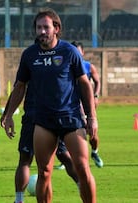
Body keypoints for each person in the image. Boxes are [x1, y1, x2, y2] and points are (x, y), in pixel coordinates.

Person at [1, 8, 97, 203]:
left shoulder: (69, 52)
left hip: (70, 118)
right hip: (43, 121)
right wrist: (9, 114)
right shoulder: (29, 54)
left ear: (56, 29)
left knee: (82, 167)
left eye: (46, 27)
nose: (42, 31)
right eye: (39, 27)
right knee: (44, 172)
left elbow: (85, 84)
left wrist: (91, 117)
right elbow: (20, 86)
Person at [1, 46, 77, 203]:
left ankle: (19, 200)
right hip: (54, 116)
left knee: (25, 160)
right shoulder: (55, 60)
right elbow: (19, 88)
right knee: (63, 158)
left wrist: (7, 114)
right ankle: (82, 186)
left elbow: (18, 88)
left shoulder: (31, 57)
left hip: (37, 116)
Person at [55, 41, 103, 169]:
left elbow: (97, 82)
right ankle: (66, 160)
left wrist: (96, 96)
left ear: (82, 52)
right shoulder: (65, 66)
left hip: (86, 104)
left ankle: (95, 152)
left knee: (92, 134)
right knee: (68, 132)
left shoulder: (88, 66)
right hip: (71, 105)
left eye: (78, 50)